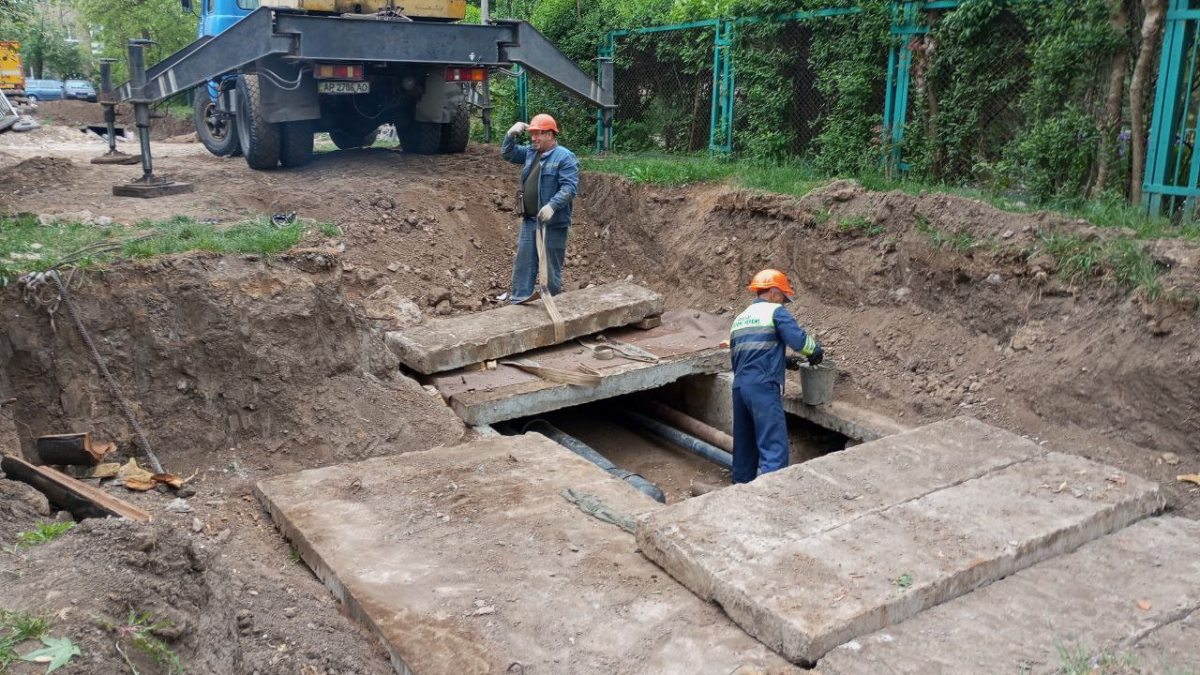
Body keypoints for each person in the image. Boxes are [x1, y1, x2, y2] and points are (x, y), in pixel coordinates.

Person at [728, 269, 823, 484]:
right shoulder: (775, 312)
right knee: (774, 447)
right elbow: (798, 341)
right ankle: (772, 497)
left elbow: (745, 355)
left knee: (744, 449)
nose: (783, 303)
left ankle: (740, 494)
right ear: (773, 292)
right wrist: (815, 351)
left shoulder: (740, 319)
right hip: (763, 387)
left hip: (740, 388)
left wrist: (782, 361)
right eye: (782, 297)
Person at [501, 113, 579, 303]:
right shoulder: (530, 152)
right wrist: (510, 135)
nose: (534, 138)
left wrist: (552, 206)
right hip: (530, 221)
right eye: (532, 134)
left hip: (552, 224)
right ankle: (519, 302)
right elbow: (508, 154)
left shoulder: (565, 157)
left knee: (550, 268)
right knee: (524, 264)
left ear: (551, 135)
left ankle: (552, 303)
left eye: (539, 134)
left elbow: (569, 188)